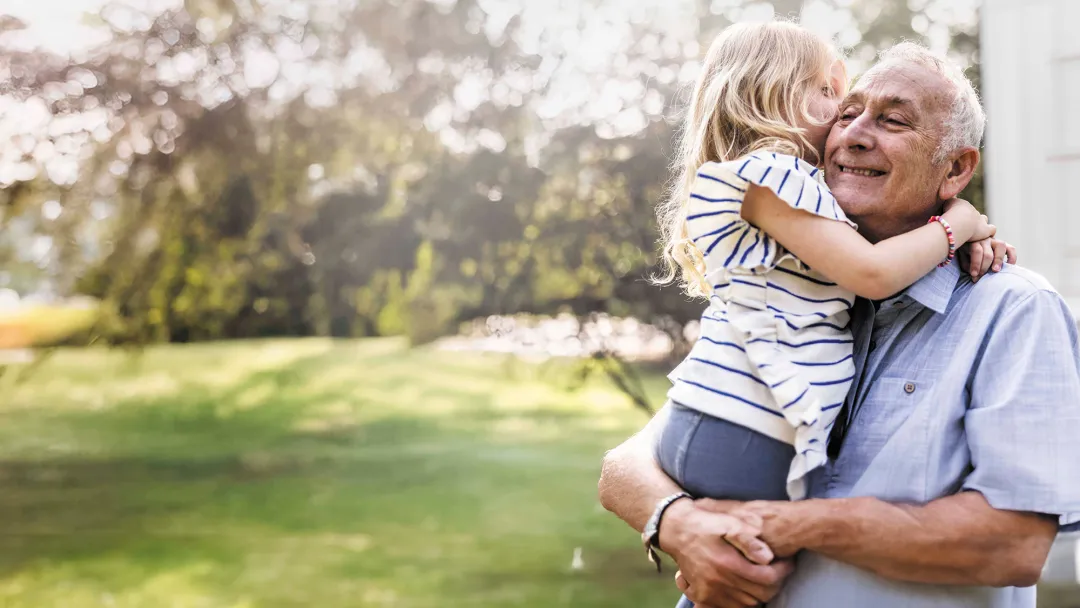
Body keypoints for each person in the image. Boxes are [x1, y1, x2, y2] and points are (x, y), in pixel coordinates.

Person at [599, 38, 1080, 608]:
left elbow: (1012, 545)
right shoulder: (794, 284)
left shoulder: (1013, 312)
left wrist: (778, 525)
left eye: (894, 120)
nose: (853, 132)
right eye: (845, 111)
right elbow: (628, 464)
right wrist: (679, 525)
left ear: (955, 170)